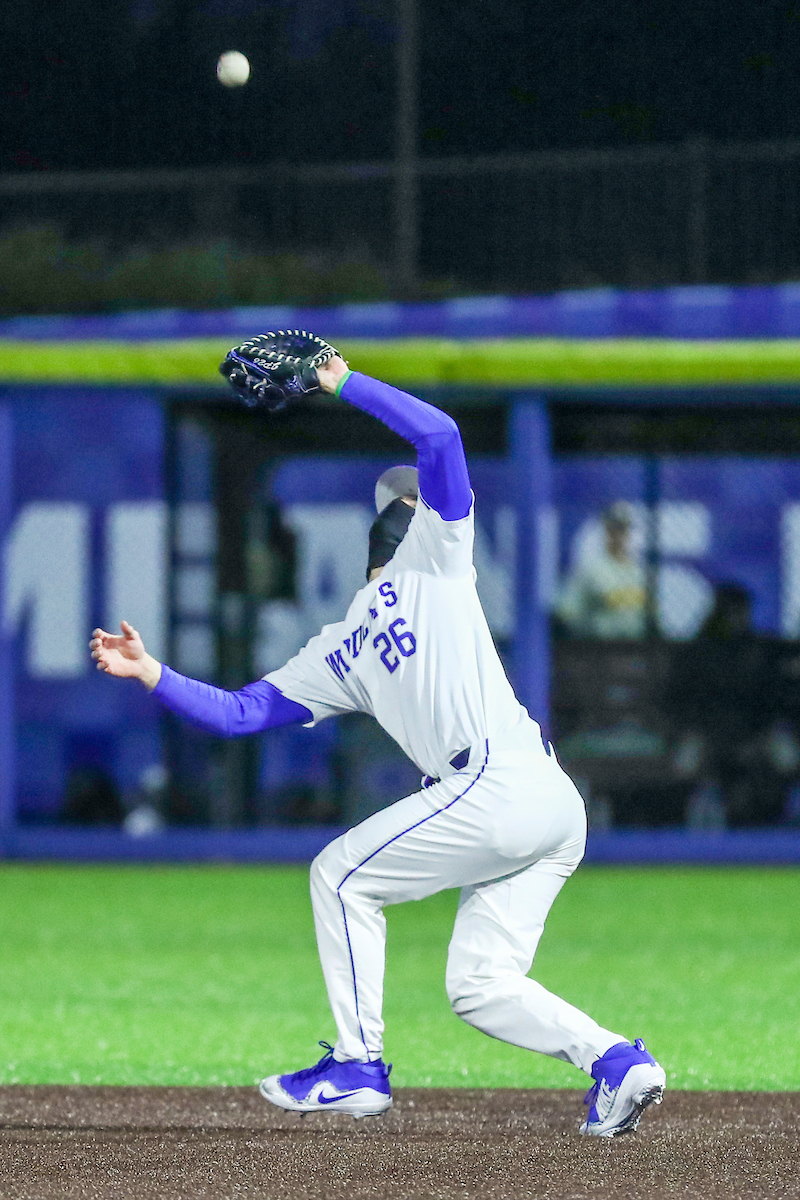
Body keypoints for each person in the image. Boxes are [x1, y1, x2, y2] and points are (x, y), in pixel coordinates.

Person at [90, 350, 666, 1137]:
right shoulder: (436, 563)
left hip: (492, 787)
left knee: (339, 877)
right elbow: (441, 436)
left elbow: (234, 713)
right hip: (552, 802)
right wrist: (338, 378)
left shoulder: (345, 642)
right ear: (412, 523)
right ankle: (614, 1062)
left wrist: (153, 672)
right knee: (480, 984)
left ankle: (358, 1065)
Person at [555, 501, 646, 639]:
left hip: (635, 646)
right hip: (600, 646)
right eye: (614, 528)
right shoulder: (591, 570)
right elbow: (568, 612)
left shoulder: (639, 572)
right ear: (606, 530)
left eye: (624, 528)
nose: (619, 534)